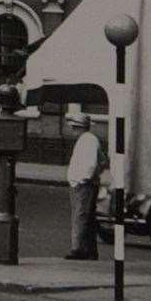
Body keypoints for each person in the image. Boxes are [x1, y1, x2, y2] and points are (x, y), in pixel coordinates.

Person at [63, 112, 105, 261]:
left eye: (74, 127)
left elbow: (92, 163)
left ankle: (78, 249)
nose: (73, 130)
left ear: (78, 127)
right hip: (82, 183)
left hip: (83, 185)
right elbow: (102, 161)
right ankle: (90, 250)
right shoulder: (87, 140)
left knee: (80, 216)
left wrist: (83, 179)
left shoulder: (88, 141)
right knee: (87, 217)